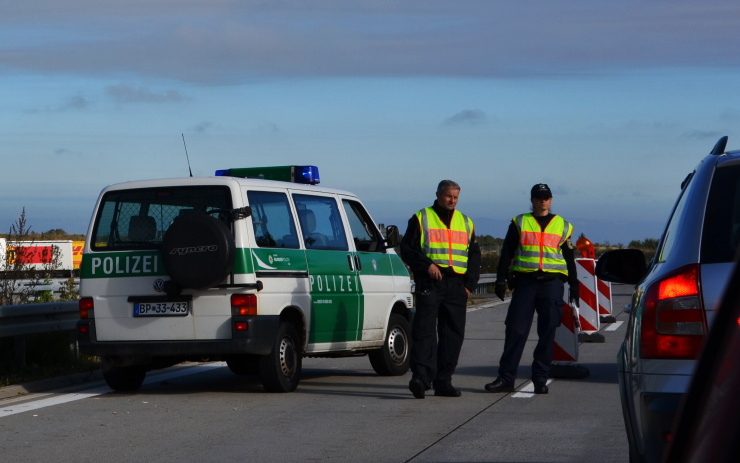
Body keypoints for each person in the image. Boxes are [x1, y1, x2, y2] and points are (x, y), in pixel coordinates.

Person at [485, 183, 578, 395]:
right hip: (526, 283)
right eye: (538, 197)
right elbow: (507, 251)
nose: (542, 201)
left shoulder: (563, 225)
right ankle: (506, 378)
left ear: (551, 200)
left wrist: (574, 286)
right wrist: (500, 279)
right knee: (516, 331)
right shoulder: (519, 222)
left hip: (552, 284)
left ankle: (540, 379)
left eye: (546, 197)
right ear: (532, 200)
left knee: (547, 333)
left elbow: (569, 259)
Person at [400, 180, 481, 399]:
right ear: (438, 194)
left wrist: (469, 286)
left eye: (455, 197)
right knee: (424, 332)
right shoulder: (421, 217)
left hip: (457, 285)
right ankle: (420, 378)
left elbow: (474, 256)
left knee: (453, 336)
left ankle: (443, 381)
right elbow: (407, 249)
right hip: (430, 282)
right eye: (448, 196)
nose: (452, 201)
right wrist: (426, 265)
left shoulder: (466, 222)